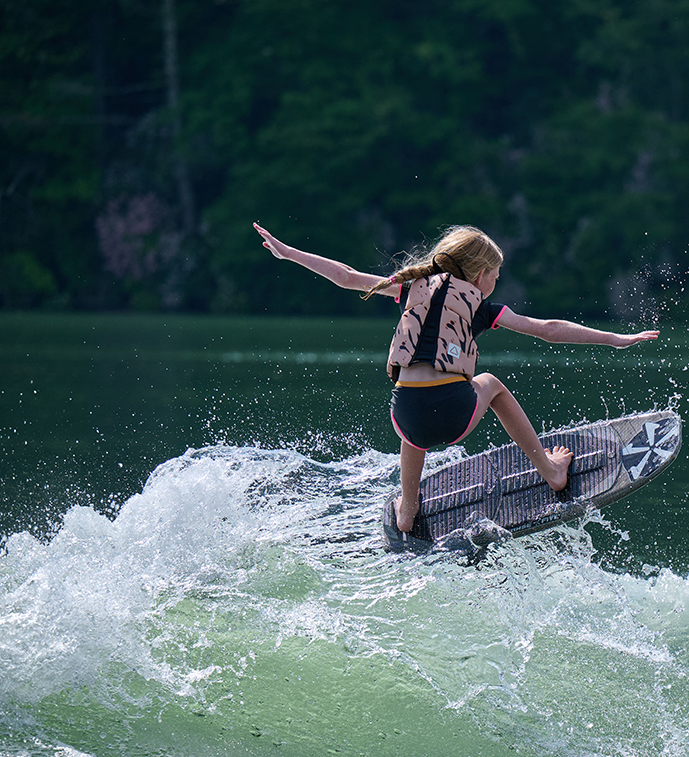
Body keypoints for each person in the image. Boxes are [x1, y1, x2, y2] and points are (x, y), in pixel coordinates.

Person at [253, 222, 658, 536]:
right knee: (492, 383)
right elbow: (548, 328)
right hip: (454, 414)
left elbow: (345, 276)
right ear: (480, 274)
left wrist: (288, 253)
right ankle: (550, 470)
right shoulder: (482, 307)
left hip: (406, 416)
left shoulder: (410, 288)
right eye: (495, 275)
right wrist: (616, 339)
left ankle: (407, 509)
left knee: (412, 416)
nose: (495, 283)